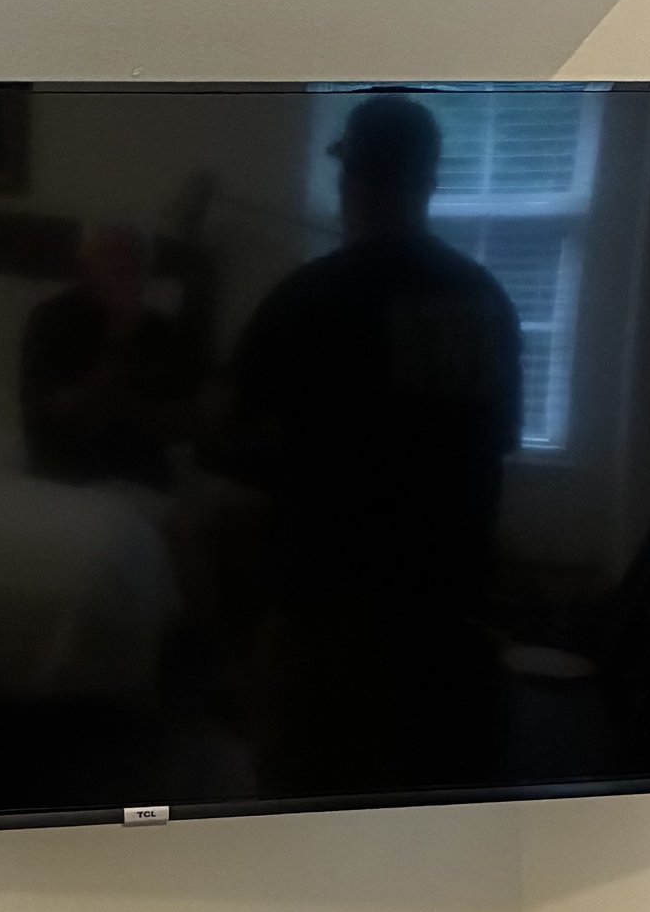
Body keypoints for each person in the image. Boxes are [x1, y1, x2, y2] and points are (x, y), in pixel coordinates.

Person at [219, 94, 520, 796]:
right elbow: (496, 442)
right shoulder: (486, 301)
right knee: (427, 804)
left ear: (349, 182)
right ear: (429, 183)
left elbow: (227, 429)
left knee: (305, 798)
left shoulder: (306, 299)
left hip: (329, 611)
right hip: (451, 607)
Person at [18, 224, 196, 489]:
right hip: (68, 470)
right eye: (109, 253)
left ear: (145, 269)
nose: (120, 265)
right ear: (86, 265)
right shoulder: (52, 319)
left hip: (141, 473)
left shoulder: (161, 329)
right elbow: (66, 415)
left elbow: (182, 423)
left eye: (130, 255)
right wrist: (119, 334)